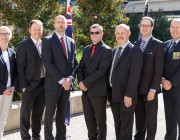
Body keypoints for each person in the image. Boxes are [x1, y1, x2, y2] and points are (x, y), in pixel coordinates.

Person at [42, 15, 78, 140]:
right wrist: (62, 80)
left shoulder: (71, 41)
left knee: (62, 114)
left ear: (66, 25)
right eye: (58, 22)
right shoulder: (47, 40)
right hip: (53, 84)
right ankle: (48, 137)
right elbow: (48, 63)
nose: (61, 24)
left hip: (67, 85)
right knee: (49, 113)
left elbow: (75, 63)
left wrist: (70, 79)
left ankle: (61, 136)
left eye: (63, 22)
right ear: (54, 24)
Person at [77, 24, 112, 140]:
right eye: (92, 33)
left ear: (102, 33)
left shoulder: (106, 51)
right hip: (85, 92)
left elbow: (100, 71)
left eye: (97, 32)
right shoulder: (86, 49)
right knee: (89, 120)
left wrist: (85, 83)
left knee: (100, 121)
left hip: (98, 92)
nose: (94, 35)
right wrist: (81, 82)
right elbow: (80, 67)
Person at [109, 24, 143, 140]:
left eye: (122, 33)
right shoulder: (114, 51)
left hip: (126, 96)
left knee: (126, 127)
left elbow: (135, 76)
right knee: (117, 124)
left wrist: (128, 95)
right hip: (114, 95)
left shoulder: (135, 51)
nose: (120, 36)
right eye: (117, 33)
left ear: (129, 34)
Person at [134, 16, 165, 140]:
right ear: (140, 27)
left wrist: (153, 89)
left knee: (151, 121)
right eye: (142, 25)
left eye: (147, 25)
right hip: (136, 89)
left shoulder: (158, 45)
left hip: (150, 90)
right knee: (139, 119)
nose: (144, 27)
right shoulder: (135, 44)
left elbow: (159, 69)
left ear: (152, 27)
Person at [16, 20, 45, 140]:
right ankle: (25, 137)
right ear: (29, 30)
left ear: (42, 31)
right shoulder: (23, 45)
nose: (37, 32)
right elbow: (20, 67)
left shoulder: (45, 44)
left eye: (39, 29)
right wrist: (23, 85)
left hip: (43, 84)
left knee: (38, 113)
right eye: (35, 29)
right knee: (25, 115)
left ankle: (36, 136)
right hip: (28, 85)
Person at [162, 19, 180, 140]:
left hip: (178, 88)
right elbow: (160, 65)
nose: (174, 30)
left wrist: (172, 82)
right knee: (170, 120)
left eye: (177, 27)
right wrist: (162, 80)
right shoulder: (166, 44)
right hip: (166, 89)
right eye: (172, 27)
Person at [0, 26, 17, 140]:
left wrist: (14, 86)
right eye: (1, 34)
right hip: (1, 90)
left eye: (7, 33)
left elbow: (15, 72)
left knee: (3, 117)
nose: (4, 36)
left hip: (9, 90)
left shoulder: (12, 52)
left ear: (10, 36)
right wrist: (2, 89)